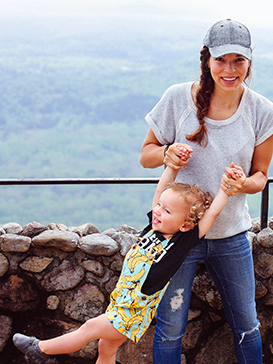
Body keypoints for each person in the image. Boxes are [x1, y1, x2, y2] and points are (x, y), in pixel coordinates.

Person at [138, 18, 273, 364]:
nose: (230, 69)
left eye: (238, 60)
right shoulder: (177, 98)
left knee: (247, 325)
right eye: (221, 60)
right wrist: (166, 153)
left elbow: (260, 176)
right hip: (176, 235)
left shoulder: (262, 111)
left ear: (250, 62)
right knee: (170, 327)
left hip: (230, 235)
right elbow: (146, 155)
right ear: (206, 60)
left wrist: (241, 185)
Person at [13, 145, 243, 364]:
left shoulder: (181, 242)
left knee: (89, 329)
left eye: (167, 211)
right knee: (106, 348)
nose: (158, 212)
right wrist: (173, 167)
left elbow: (211, 213)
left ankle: (40, 349)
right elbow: (160, 191)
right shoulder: (153, 229)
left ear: (185, 225)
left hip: (132, 313)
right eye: (159, 207)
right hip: (120, 304)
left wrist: (225, 189)